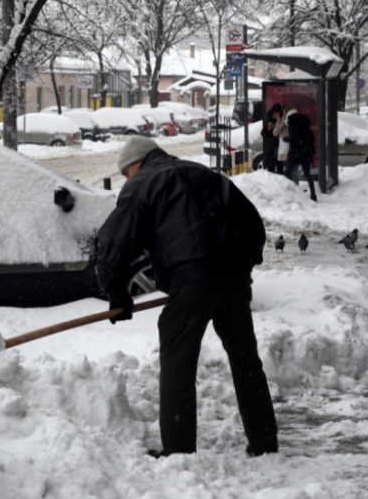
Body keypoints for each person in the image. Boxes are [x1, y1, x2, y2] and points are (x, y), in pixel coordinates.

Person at [96, 136, 279, 458]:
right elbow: (251, 222)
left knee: (178, 364)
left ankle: (178, 451)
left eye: (127, 172)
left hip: (190, 282)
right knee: (246, 360)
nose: (128, 179)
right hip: (232, 280)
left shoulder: (141, 184)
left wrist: (117, 294)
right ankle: (264, 441)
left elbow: (113, 243)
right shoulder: (204, 174)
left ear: (135, 164)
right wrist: (246, 263)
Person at [284, 108, 318, 202]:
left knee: (287, 173)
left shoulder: (292, 122)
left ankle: (285, 194)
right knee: (307, 174)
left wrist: (287, 139)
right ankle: (313, 195)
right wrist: (311, 153)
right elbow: (310, 140)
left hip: (295, 152)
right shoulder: (306, 125)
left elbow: (295, 138)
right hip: (305, 153)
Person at [272, 104, 295, 172]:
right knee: (286, 164)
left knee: (291, 166)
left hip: (291, 144)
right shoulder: (281, 120)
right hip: (283, 145)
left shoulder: (292, 120)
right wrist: (283, 122)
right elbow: (275, 132)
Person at [261, 103, 282, 174]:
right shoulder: (268, 120)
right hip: (271, 148)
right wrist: (269, 130)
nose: (276, 115)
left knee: (280, 167)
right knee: (271, 168)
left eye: (277, 113)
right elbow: (264, 134)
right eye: (275, 113)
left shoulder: (281, 121)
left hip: (278, 148)